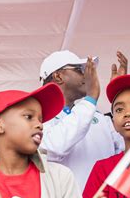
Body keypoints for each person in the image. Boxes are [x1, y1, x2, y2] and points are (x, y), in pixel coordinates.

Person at [39, 50, 124, 189]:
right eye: (79, 70)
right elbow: (52, 149)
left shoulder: (98, 117)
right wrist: (90, 98)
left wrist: (120, 95)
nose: (86, 75)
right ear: (58, 76)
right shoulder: (39, 119)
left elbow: (126, 151)